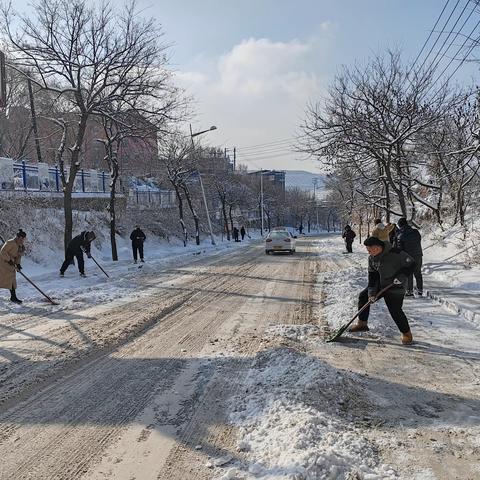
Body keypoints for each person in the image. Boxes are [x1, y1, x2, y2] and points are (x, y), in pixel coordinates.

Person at [349, 236, 416, 345]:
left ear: (378, 247)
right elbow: (372, 276)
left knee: (395, 310)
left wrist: (402, 276)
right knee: (364, 296)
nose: (370, 252)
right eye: (368, 250)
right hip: (381, 285)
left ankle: (406, 333)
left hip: (396, 286)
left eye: (372, 250)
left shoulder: (396, 253)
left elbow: (412, 263)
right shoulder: (371, 258)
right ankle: (362, 324)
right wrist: (371, 292)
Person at [394, 218, 423, 297]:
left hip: (408, 257)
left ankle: (409, 291)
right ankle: (420, 290)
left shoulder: (400, 234)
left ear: (400, 225)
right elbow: (419, 240)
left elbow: (399, 248)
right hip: (418, 255)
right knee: (418, 273)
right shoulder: (416, 232)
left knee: (409, 274)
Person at [0, 229, 26, 304]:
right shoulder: (10, 242)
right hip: (2, 262)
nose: (22, 240)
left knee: (11, 279)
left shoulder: (20, 245)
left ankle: (13, 297)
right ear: (18, 237)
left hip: (10, 264)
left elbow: (18, 256)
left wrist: (18, 264)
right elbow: (2, 251)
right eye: (21, 238)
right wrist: (8, 260)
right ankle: (13, 297)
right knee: (5, 278)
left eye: (23, 238)